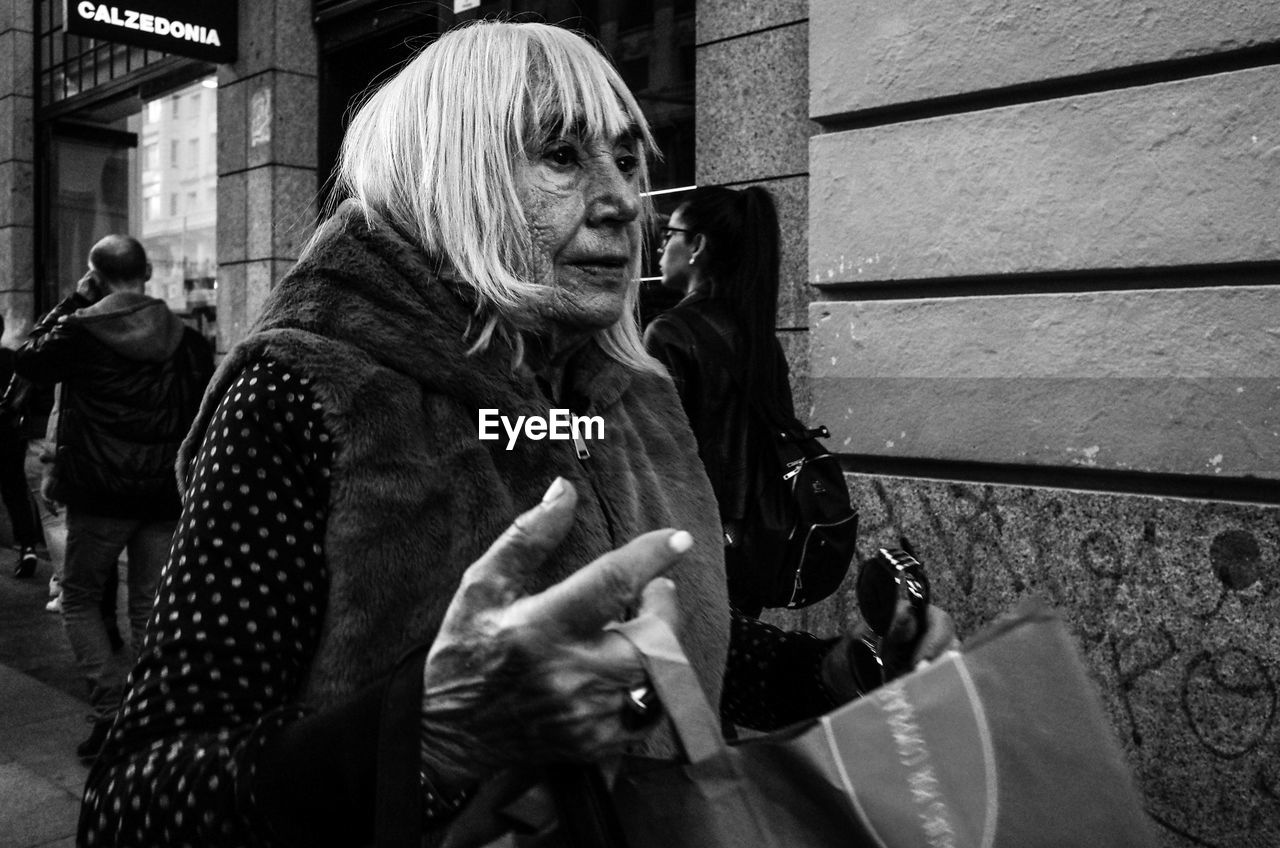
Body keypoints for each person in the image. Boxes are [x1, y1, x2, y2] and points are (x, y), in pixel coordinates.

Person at [80, 21, 954, 847]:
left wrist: (835, 671)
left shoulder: (626, 392)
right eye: (563, 156)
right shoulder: (303, 391)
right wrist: (437, 735)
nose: (621, 202)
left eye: (624, 159)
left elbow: (657, 639)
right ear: (448, 178)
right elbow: (135, 802)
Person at [14, 234, 214, 761]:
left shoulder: (80, 332)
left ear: (95, 277)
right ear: (148, 273)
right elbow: (203, 419)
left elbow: (29, 359)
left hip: (98, 496)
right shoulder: (189, 341)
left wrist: (74, 302)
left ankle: (110, 712)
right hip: (160, 499)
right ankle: (148, 714)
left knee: (79, 599)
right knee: (149, 608)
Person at [644, 185, 794, 616]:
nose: (660, 246)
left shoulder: (669, 333)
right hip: (749, 547)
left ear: (698, 246)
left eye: (669, 233)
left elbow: (657, 452)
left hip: (689, 544)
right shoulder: (761, 339)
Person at [0, 319, 45, 578]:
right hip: (8, 436)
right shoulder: (12, 360)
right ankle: (27, 546)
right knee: (16, 493)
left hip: (8, 433)